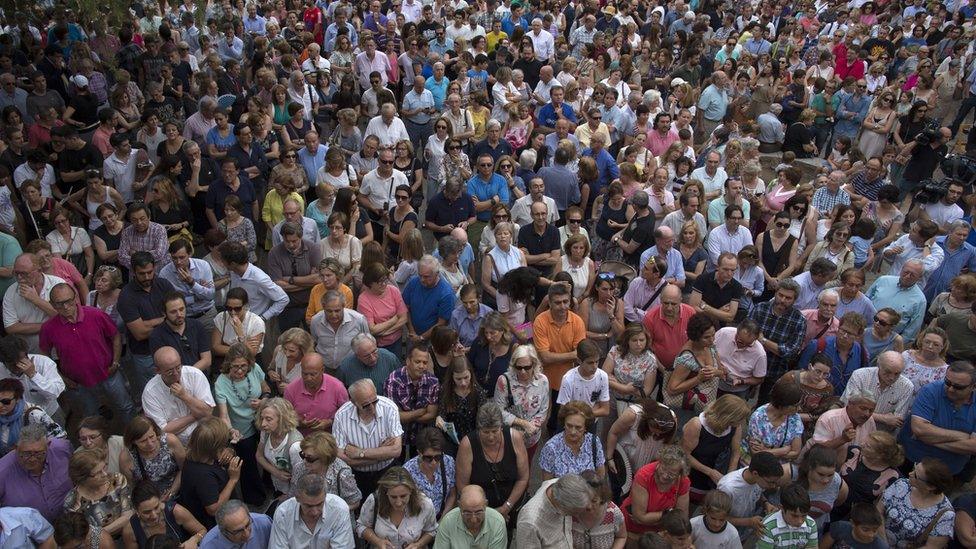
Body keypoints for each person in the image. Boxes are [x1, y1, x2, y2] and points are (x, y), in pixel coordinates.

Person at [38, 283, 134, 422]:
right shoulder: (48, 328)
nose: (65, 307)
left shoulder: (96, 315)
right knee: (90, 416)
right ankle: (97, 443)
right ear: (52, 304)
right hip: (77, 383)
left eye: (68, 301)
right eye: (59, 304)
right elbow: (44, 354)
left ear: (75, 298)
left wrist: (116, 361)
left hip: (109, 374)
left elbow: (115, 336)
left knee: (126, 407)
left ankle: (135, 439)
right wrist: (63, 378)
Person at [898, 360, 976, 477]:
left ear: (973, 386)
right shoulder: (931, 390)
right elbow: (920, 429)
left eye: (958, 387)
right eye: (947, 382)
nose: (950, 389)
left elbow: (973, 446)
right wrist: (962, 436)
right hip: (911, 461)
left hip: (949, 470)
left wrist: (928, 439)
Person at [456, 402, 530, 524]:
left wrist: (507, 506)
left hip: (512, 506)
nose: (491, 437)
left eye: (495, 431)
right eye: (485, 432)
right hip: (479, 512)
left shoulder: (514, 438)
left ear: (502, 426)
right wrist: (487, 512)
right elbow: (463, 485)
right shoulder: (467, 444)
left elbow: (523, 478)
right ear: (478, 429)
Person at [332, 379, 403, 498]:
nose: (372, 407)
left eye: (375, 401)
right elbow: (342, 458)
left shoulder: (389, 408)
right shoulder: (341, 416)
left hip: (386, 471)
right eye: (366, 405)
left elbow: (396, 451)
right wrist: (382, 454)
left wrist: (360, 453)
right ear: (354, 403)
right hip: (357, 475)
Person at [117, 251, 176, 392]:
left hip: (171, 346)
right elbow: (140, 333)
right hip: (145, 354)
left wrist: (148, 323)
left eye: (150, 272)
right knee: (154, 391)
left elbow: (178, 316)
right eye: (142, 273)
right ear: (133, 272)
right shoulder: (126, 296)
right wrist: (165, 319)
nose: (147, 277)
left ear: (154, 267)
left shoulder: (164, 285)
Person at [533, 282, 586, 426]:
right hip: (542, 377)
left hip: (566, 378)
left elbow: (580, 354)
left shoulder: (577, 321)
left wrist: (552, 356)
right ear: (549, 303)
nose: (563, 306)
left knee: (558, 417)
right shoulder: (540, 321)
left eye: (565, 302)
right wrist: (571, 354)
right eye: (557, 303)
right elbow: (544, 357)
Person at [682, 395, 752, 503]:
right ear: (728, 417)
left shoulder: (735, 426)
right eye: (739, 419)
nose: (741, 423)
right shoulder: (697, 425)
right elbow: (684, 454)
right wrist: (710, 472)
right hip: (694, 474)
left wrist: (729, 476)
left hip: (718, 474)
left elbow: (736, 452)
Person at [142, 346, 216, 445]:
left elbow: (208, 411)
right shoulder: (150, 392)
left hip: (204, 434)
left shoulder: (195, 375)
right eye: (169, 371)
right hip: (175, 444)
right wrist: (195, 415)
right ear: (157, 371)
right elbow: (162, 430)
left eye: (178, 367)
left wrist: (185, 396)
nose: (176, 374)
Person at [0, 423, 72, 522]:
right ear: (16, 448)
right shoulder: (3, 471)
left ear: (48, 446)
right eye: (26, 454)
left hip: (71, 521)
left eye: (38, 453)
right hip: (31, 534)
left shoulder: (62, 449)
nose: (32, 459)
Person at [879, 458, 955, 547]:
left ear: (930, 487)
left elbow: (931, 547)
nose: (910, 474)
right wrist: (883, 544)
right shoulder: (901, 484)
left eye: (915, 475)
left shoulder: (946, 515)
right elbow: (879, 511)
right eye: (914, 468)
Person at [356, 466, 437, 549]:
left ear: (411, 491)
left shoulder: (425, 504)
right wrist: (377, 541)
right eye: (393, 497)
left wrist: (418, 544)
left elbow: (431, 530)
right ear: (385, 493)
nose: (398, 503)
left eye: (403, 496)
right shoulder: (374, 501)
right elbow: (361, 526)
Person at [621, 445, 691, 541]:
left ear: (680, 473)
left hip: (660, 533)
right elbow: (639, 516)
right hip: (633, 529)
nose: (665, 476)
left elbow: (680, 518)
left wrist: (655, 521)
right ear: (659, 462)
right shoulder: (644, 475)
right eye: (663, 469)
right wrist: (668, 513)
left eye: (672, 474)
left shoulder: (683, 481)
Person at [269, 472, 354, 549]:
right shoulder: (283, 513)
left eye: (320, 504)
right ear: (297, 498)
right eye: (308, 506)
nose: (315, 512)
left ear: (325, 496)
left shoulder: (339, 509)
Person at [64, 448, 133, 537]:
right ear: (82, 478)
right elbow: (83, 535)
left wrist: (98, 532)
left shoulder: (117, 480)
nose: (105, 474)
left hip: (128, 533)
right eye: (98, 473)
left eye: (104, 468)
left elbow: (129, 515)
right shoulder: (72, 502)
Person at [3, 253, 63, 353]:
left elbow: (66, 316)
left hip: (58, 350)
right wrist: (48, 326)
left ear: (39, 270)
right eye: (16, 273)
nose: (19, 278)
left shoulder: (57, 284)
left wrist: (36, 300)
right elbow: (11, 327)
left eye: (24, 273)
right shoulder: (11, 291)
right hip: (30, 352)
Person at [515, 474, 595, 547]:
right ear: (562, 506)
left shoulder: (560, 484)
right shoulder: (530, 522)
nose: (577, 516)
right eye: (574, 513)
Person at [218, 241, 289, 322]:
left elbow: (283, 299)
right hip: (234, 320)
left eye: (223, 261)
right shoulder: (233, 272)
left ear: (233, 264)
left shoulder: (260, 279)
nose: (222, 263)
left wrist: (263, 318)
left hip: (253, 324)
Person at [122, 480, 206, 548]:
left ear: (161, 500)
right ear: (136, 510)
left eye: (156, 507)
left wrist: (194, 539)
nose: (154, 515)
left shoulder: (176, 511)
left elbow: (202, 530)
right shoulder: (130, 530)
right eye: (147, 512)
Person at [284, 352, 349, 435]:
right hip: (300, 439)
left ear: (322, 370)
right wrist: (299, 423)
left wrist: (330, 422)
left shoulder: (337, 387)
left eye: (313, 374)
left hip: (329, 439)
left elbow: (347, 414)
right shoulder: (291, 389)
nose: (308, 378)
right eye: (305, 374)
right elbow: (285, 416)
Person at [741, 379, 804, 465]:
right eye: (795, 406)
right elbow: (755, 453)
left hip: (779, 466)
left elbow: (795, 452)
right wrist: (783, 451)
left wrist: (767, 451)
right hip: (756, 463)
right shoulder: (758, 418)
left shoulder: (794, 418)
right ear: (782, 406)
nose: (799, 409)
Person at [539, 400, 606, 480]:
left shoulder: (594, 442)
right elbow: (547, 485)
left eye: (578, 427)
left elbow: (600, 477)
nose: (573, 432)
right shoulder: (551, 448)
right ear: (564, 424)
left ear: (585, 427)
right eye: (569, 426)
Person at [866, 259, 928, 341]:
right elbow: (865, 300)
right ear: (901, 269)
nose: (907, 276)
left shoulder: (920, 300)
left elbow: (911, 330)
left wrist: (893, 345)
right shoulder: (883, 280)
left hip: (886, 342)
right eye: (906, 272)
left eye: (913, 275)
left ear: (919, 278)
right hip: (865, 330)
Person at [149, 293, 212, 373]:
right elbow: (163, 367)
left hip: (199, 377)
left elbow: (207, 360)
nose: (179, 314)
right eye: (173, 312)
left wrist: (188, 374)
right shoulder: (157, 335)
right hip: (175, 380)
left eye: (181, 309)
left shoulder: (197, 326)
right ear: (164, 313)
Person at [433, 484, 508, 549]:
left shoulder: (497, 522)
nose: (473, 519)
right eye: (467, 513)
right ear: (459, 506)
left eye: (478, 512)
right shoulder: (448, 521)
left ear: (486, 505)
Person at [402, 255, 457, 343]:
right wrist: (412, 332)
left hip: (433, 340)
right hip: (412, 335)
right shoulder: (413, 282)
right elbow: (405, 308)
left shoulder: (446, 293)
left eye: (426, 277)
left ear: (437, 274)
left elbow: (441, 323)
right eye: (420, 275)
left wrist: (421, 338)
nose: (422, 280)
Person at [756, 483, 819, 549]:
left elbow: (812, 547)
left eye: (804, 515)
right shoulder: (767, 527)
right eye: (794, 516)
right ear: (782, 508)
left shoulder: (811, 524)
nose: (800, 521)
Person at [199, 499, 273, 548]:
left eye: (247, 525)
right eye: (238, 531)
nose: (247, 534)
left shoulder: (263, 522)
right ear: (223, 531)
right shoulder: (208, 545)